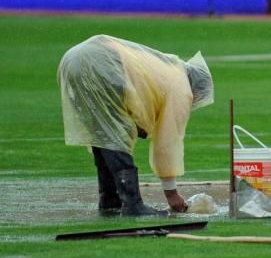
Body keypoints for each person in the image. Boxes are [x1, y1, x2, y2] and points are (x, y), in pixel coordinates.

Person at [58, 35, 214, 216]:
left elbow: (141, 97)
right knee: (116, 136)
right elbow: (167, 143)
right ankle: (132, 204)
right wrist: (171, 193)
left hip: (72, 59)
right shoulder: (182, 88)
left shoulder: (167, 66)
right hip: (102, 62)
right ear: (196, 90)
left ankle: (110, 199)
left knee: (103, 133)